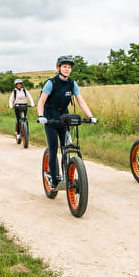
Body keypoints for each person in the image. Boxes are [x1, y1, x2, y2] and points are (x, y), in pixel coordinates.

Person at [37, 56, 97, 189]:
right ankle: (53, 179)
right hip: (51, 118)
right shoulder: (51, 83)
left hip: (64, 118)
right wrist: (41, 116)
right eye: (64, 67)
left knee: (67, 148)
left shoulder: (72, 84)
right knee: (53, 150)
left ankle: (67, 175)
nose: (67, 69)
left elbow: (81, 101)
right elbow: (41, 101)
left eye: (69, 67)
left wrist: (91, 116)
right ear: (58, 68)